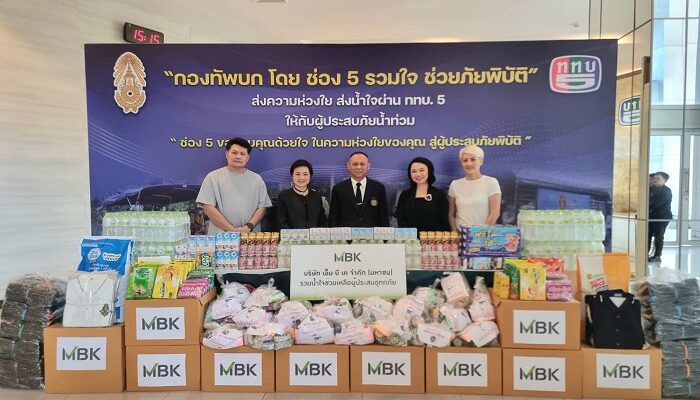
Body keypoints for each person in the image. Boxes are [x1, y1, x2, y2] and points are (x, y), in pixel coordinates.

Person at [196, 137, 272, 234]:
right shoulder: (212, 177)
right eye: (234, 153)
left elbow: (262, 208)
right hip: (220, 236)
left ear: (248, 158)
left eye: (242, 154)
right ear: (227, 154)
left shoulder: (257, 179)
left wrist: (248, 227)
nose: (238, 157)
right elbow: (208, 208)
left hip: (249, 235)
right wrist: (232, 230)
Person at [329, 151, 389, 227]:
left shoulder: (379, 188)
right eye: (355, 164)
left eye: (362, 164)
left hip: (372, 234)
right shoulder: (338, 189)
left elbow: (383, 218)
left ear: (368, 166)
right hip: (345, 234)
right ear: (348, 166)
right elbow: (333, 219)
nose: (358, 167)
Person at [448, 144, 501, 230]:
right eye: (465, 160)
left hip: (482, 235)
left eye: (473, 159)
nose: (469, 163)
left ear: (481, 161)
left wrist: (480, 234)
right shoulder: (454, 184)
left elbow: (495, 213)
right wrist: (455, 234)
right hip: (460, 235)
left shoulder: (491, 182)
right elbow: (451, 214)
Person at [395, 157, 450, 231]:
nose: (418, 174)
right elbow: (401, 220)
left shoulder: (439, 195)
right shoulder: (405, 195)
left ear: (429, 171)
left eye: (421, 170)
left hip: (432, 237)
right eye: (414, 171)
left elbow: (443, 221)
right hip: (410, 237)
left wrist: (427, 236)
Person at [277, 159, 327, 229]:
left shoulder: (316, 196)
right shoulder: (284, 196)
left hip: (314, 236)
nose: (301, 178)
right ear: (292, 175)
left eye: (305, 174)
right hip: (292, 236)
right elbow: (281, 222)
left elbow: (322, 221)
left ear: (310, 176)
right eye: (297, 174)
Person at [648, 171, 672, 262]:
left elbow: (655, 204)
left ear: (664, 181)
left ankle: (657, 256)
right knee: (647, 235)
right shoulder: (650, 189)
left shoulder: (666, 191)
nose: (655, 180)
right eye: (654, 178)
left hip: (662, 217)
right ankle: (645, 254)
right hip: (650, 217)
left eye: (658, 179)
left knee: (659, 236)